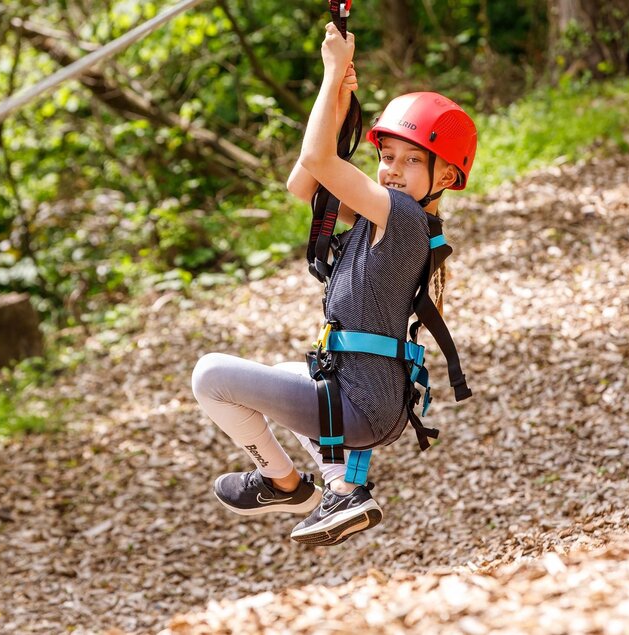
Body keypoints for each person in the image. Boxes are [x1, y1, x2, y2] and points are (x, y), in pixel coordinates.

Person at [191, 22, 477, 546]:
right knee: (283, 371)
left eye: (413, 160)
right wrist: (339, 101)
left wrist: (329, 73)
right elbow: (304, 181)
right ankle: (344, 489)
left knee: (209, 376)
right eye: (387, 156)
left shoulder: (404, 219)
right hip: (365, 400)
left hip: (360, 405)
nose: (393, 170)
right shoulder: (384, 217)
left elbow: (321, 162)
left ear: (447, 177)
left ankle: (283, 483)